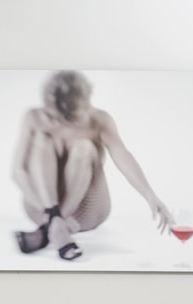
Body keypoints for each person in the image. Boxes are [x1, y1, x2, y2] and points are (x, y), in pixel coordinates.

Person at [11, 70, 172, 260]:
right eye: (56, 118)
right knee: (42, 141)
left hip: (84, 211)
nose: (62, 123)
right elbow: (18, 171)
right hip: (40, 206)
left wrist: (150, 195)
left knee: (84, 147)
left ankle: (50, 227)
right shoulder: (34, 117)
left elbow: (122, 155)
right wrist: (48, 211)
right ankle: (56, 225)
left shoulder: (99, 120)